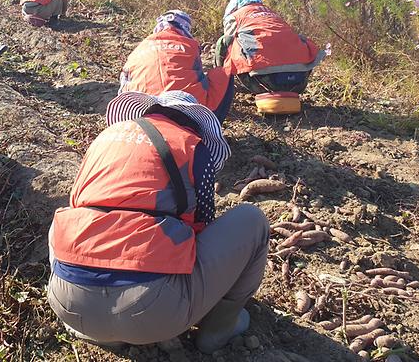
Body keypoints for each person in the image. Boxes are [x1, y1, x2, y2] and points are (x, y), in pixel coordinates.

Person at [47, 90, 269, 352]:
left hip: (69, 304)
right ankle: (218, 328)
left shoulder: (105, 138)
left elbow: (78, 201)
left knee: (68, 217)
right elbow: (202, 227)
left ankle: (101, 330)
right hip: (152, 311)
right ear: (195, 122)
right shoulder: (193, 145)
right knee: (252, 219)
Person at [214, 0, 325, 114]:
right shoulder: (273, 15)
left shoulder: (236, 16)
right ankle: (287, 87)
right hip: (299, 82)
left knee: (224, 42)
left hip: (264, 82)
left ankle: (219, 90)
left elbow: (228, 40)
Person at [119, 10, 234, 122]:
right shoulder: (190, 45)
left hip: (142, 112)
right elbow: (198, 77)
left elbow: (124, 84)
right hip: (187, 114)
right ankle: (212, 123)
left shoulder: (139, 48)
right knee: (224, 74)